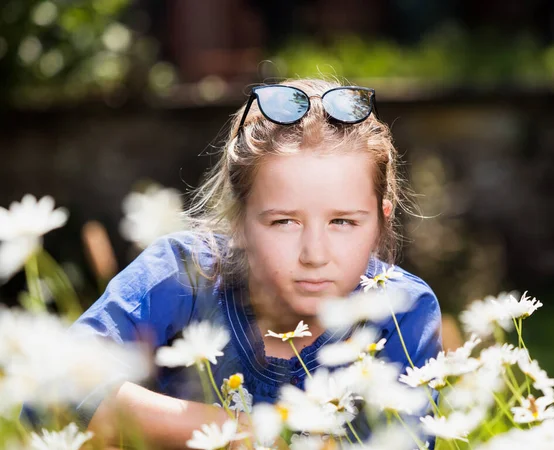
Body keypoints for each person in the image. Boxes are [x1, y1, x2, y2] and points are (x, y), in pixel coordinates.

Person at [63, 78, 442, 448]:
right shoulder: (183, 274)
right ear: (239, 223)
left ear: (381, 223)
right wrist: (245, 432)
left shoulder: (401, 312)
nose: (315, 254)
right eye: (284, 222)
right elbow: (64, 384)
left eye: (342, 222)